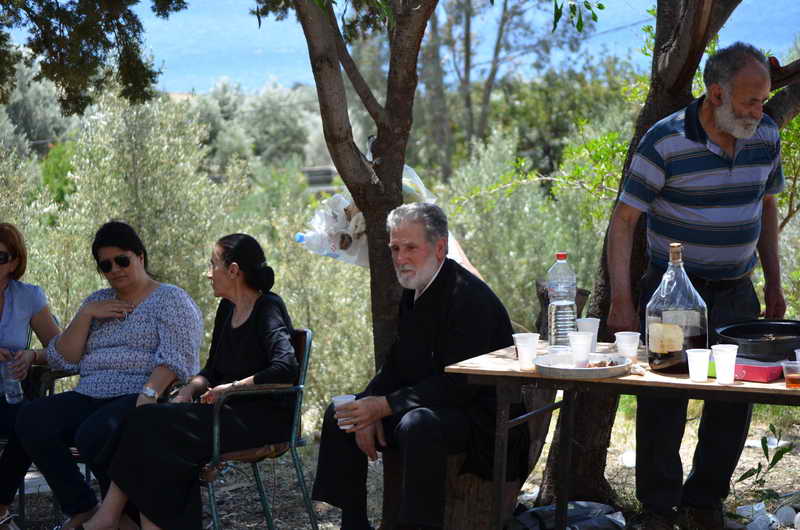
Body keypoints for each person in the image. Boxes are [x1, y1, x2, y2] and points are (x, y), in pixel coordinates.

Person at [607, 42, 784, 530]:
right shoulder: (665, 141)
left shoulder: (766, 135)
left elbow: (766, 205)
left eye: (764, 100)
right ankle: (658, 510)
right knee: (663, 400)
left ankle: (704, 505)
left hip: (737, 290)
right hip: (673, 295)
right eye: (750, 101)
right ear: (716, 94)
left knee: (733, 400)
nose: (759, 111)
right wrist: (622, 302)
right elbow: (624, 222)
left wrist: (773, 282)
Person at [312, 202, 527, 530]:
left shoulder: (468, 297)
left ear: (440, 248)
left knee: (418, 425)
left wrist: (383, 406)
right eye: (395, 248)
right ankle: (353, 523)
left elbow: (460, 384)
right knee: (341, 414)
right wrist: (366, 406)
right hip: (432, 403)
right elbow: (398, 364)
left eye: (411, 247)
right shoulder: (416, 290)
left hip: (483, 419)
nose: (400, 258)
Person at [80, 233, 298, 530]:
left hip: (261, 418)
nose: (208, 273)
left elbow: (285, 367)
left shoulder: (268, 307)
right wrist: (189, 390)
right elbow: (213, 370)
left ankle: (109, 517)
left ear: (233, 270)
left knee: (154, 430)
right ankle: (118, 518)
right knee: (146, 420)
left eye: (213, 264)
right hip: (224, 413)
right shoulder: (227, 309)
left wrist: (231, 389)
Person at [15, 221, 202, 530]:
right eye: (106, 265)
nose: (115, 269)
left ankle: (125, 518)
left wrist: (150, 394)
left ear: (140, 256)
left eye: (122, 260)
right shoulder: (96, 301)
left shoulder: (171, 299)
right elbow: (64, 357)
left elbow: (177, 358)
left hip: (139, 394)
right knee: (32, 418)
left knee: (96, 432)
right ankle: (84, 508)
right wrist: (86, 314)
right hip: (90, 392)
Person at [0, 223, 61, 530]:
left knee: (30, 423)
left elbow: (60, 349)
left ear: (14, 262)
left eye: (0, 257)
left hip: (10, 393)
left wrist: (31, 356)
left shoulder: (28, 297)